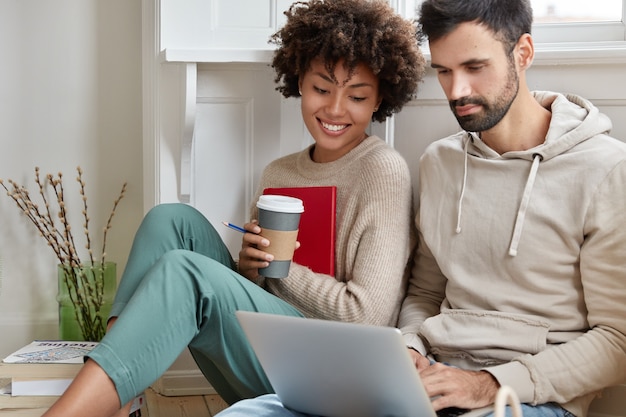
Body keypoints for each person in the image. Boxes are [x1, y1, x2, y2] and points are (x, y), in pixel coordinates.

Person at [214, 0, 626, 416]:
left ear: (523, 54)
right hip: (427, 377)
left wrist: (490, 384)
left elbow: (617, 341)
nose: (457, 90)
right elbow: (425, 293)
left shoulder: (605, 168)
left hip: (526, 397)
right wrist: (408, 346)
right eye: (444, 71)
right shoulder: (441, 161)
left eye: (474, 67)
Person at [41, 1, 426, 416]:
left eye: (356, 95)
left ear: (380, 97)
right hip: (273, 357)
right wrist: (251, 270)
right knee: (170, 220)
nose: (334, 109)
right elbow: (265, 298)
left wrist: (282, 267)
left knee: (186, 273)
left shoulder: (382, 171)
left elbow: (367, 318)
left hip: (337, 378)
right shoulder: (279, 172)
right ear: (299, 81)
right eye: (321, 88)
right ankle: (119, 395)